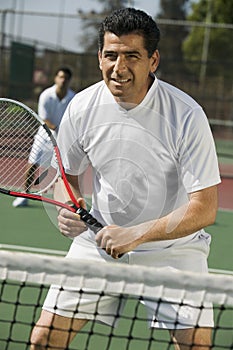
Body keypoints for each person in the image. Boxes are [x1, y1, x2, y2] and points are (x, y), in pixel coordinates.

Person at [30, 8, 220, 350]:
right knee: (43, 338)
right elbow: (68, 176)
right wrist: (69, 205)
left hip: (173, 252)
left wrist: (136, 234)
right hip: (97, 246)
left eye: (132, 56)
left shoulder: (187, 115)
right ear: (100, 57)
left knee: (198, 347)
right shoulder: (81, 107)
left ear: (153, 60)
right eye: (111, 55)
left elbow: (204, 209)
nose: (119, 68)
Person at [12, 66, 75, 207]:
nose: (63, 80)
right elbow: (44, 119)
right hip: (43, 137)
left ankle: (66, 200)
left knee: (66, 171)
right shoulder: (46, 95)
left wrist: (66, 133)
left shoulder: (74, 98)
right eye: (60, 77)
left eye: (66, 78)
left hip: (63, 139)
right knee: (32, 165)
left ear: (70, 80)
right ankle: (25, 195)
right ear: (55, 79)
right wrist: (58, 129)